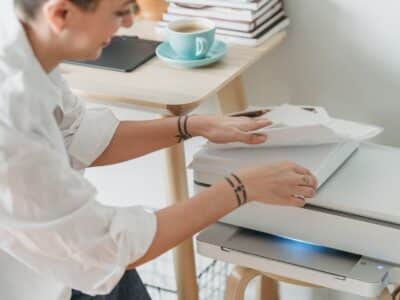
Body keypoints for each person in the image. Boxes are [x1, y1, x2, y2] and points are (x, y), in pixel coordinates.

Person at [0, 0, 318, 299]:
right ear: (61, 15)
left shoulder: (30, 46)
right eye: (120, 11)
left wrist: (192, 126)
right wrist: (241, 188)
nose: (128, 22)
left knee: (124, 275)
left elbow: (77, 136)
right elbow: (107, 247)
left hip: (71, 258)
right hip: (37, 279)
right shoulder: (11, 121)